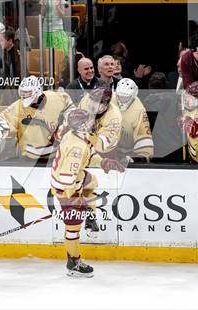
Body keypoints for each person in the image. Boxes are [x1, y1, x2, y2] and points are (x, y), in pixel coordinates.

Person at [50, 109, 125, 278]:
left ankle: (90, 216)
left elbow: (89, 155)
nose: (93, 124)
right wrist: (76, 199)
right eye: (89, 121)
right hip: (66, 188)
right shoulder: (76, 147)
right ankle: (73, 262)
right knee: (73, 228)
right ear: (83, 125)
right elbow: (66, 178)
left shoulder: (78, 135)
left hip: (74, 180)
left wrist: (104, 162)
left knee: (92, 181)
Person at [0, 76, 74, 160]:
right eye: (22, 92)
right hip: (29, 158)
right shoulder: (18, 106)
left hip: (55, 156)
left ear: (37, 91)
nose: (24, 95)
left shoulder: (54, 98)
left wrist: (70, 121)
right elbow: (6, 119)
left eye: (27, 92)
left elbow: (69, 105)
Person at [114, 78, 154, 163]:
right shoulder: (109, 101)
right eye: (120, 96)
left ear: (133, 95)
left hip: (128, 150)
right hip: (108, 149)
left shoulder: (139, 109)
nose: (122, 100)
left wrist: (139, 157)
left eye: (126, 97)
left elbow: (144, 135)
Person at [78, 85, 122, 155]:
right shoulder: (85, 101)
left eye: (98, 101)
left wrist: (85, 134)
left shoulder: (114, 117)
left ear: (106, 104)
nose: (92, 104)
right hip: (85, 144)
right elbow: (77, 125)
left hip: (105, 151)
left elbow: (103, 146)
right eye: (92, 98)